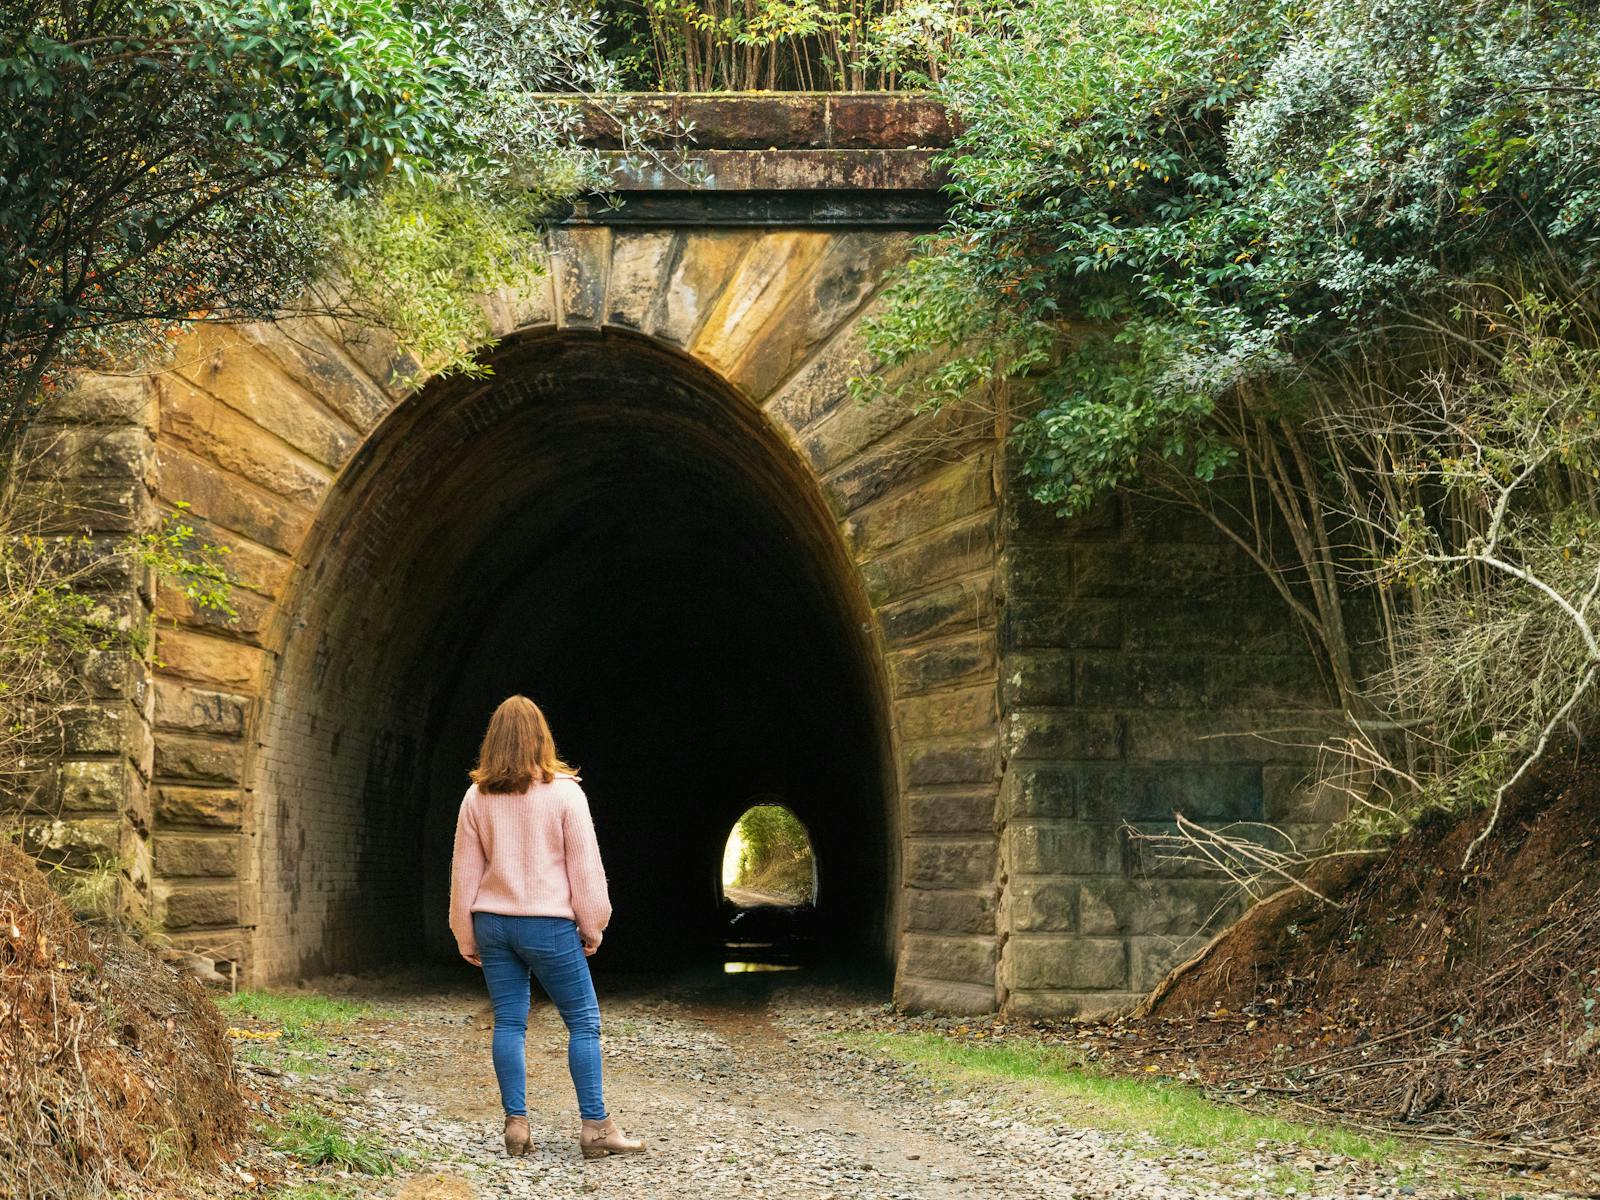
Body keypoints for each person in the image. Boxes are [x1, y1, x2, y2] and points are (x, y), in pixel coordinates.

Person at [448, 694, 646, 1160]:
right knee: (582, 1022)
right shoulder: (564, 793)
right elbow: (586, 869)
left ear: (492, 742)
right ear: (542, 737)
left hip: (493, 923)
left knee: (510, 1022)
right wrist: (593, 925)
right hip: (548, 925)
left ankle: (516, 1125)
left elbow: (464, 873)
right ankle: (596, 1129)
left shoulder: (476, 797)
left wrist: (464, 931)